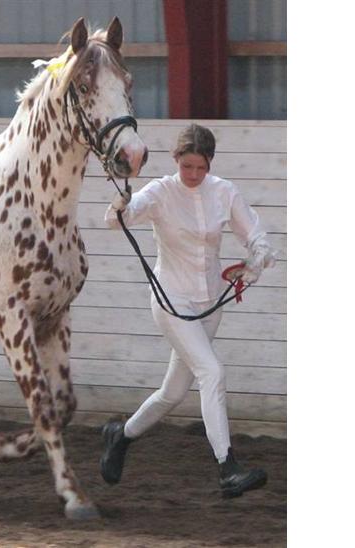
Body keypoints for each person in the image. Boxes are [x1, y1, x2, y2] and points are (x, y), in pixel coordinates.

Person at [100, 123, 276, 498]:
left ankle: (121, 436)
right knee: (212, 371)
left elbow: (255, 235)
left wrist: (257, 257)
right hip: (172, 301)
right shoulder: (160, 191)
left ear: (210, 163)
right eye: (187, 166)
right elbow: (117, 220)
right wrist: (121, 204)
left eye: (201, 167)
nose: (194, 174)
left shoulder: (224, 192)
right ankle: (227, 467)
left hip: (210, 303)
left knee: (173, 392)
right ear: (176, 159)